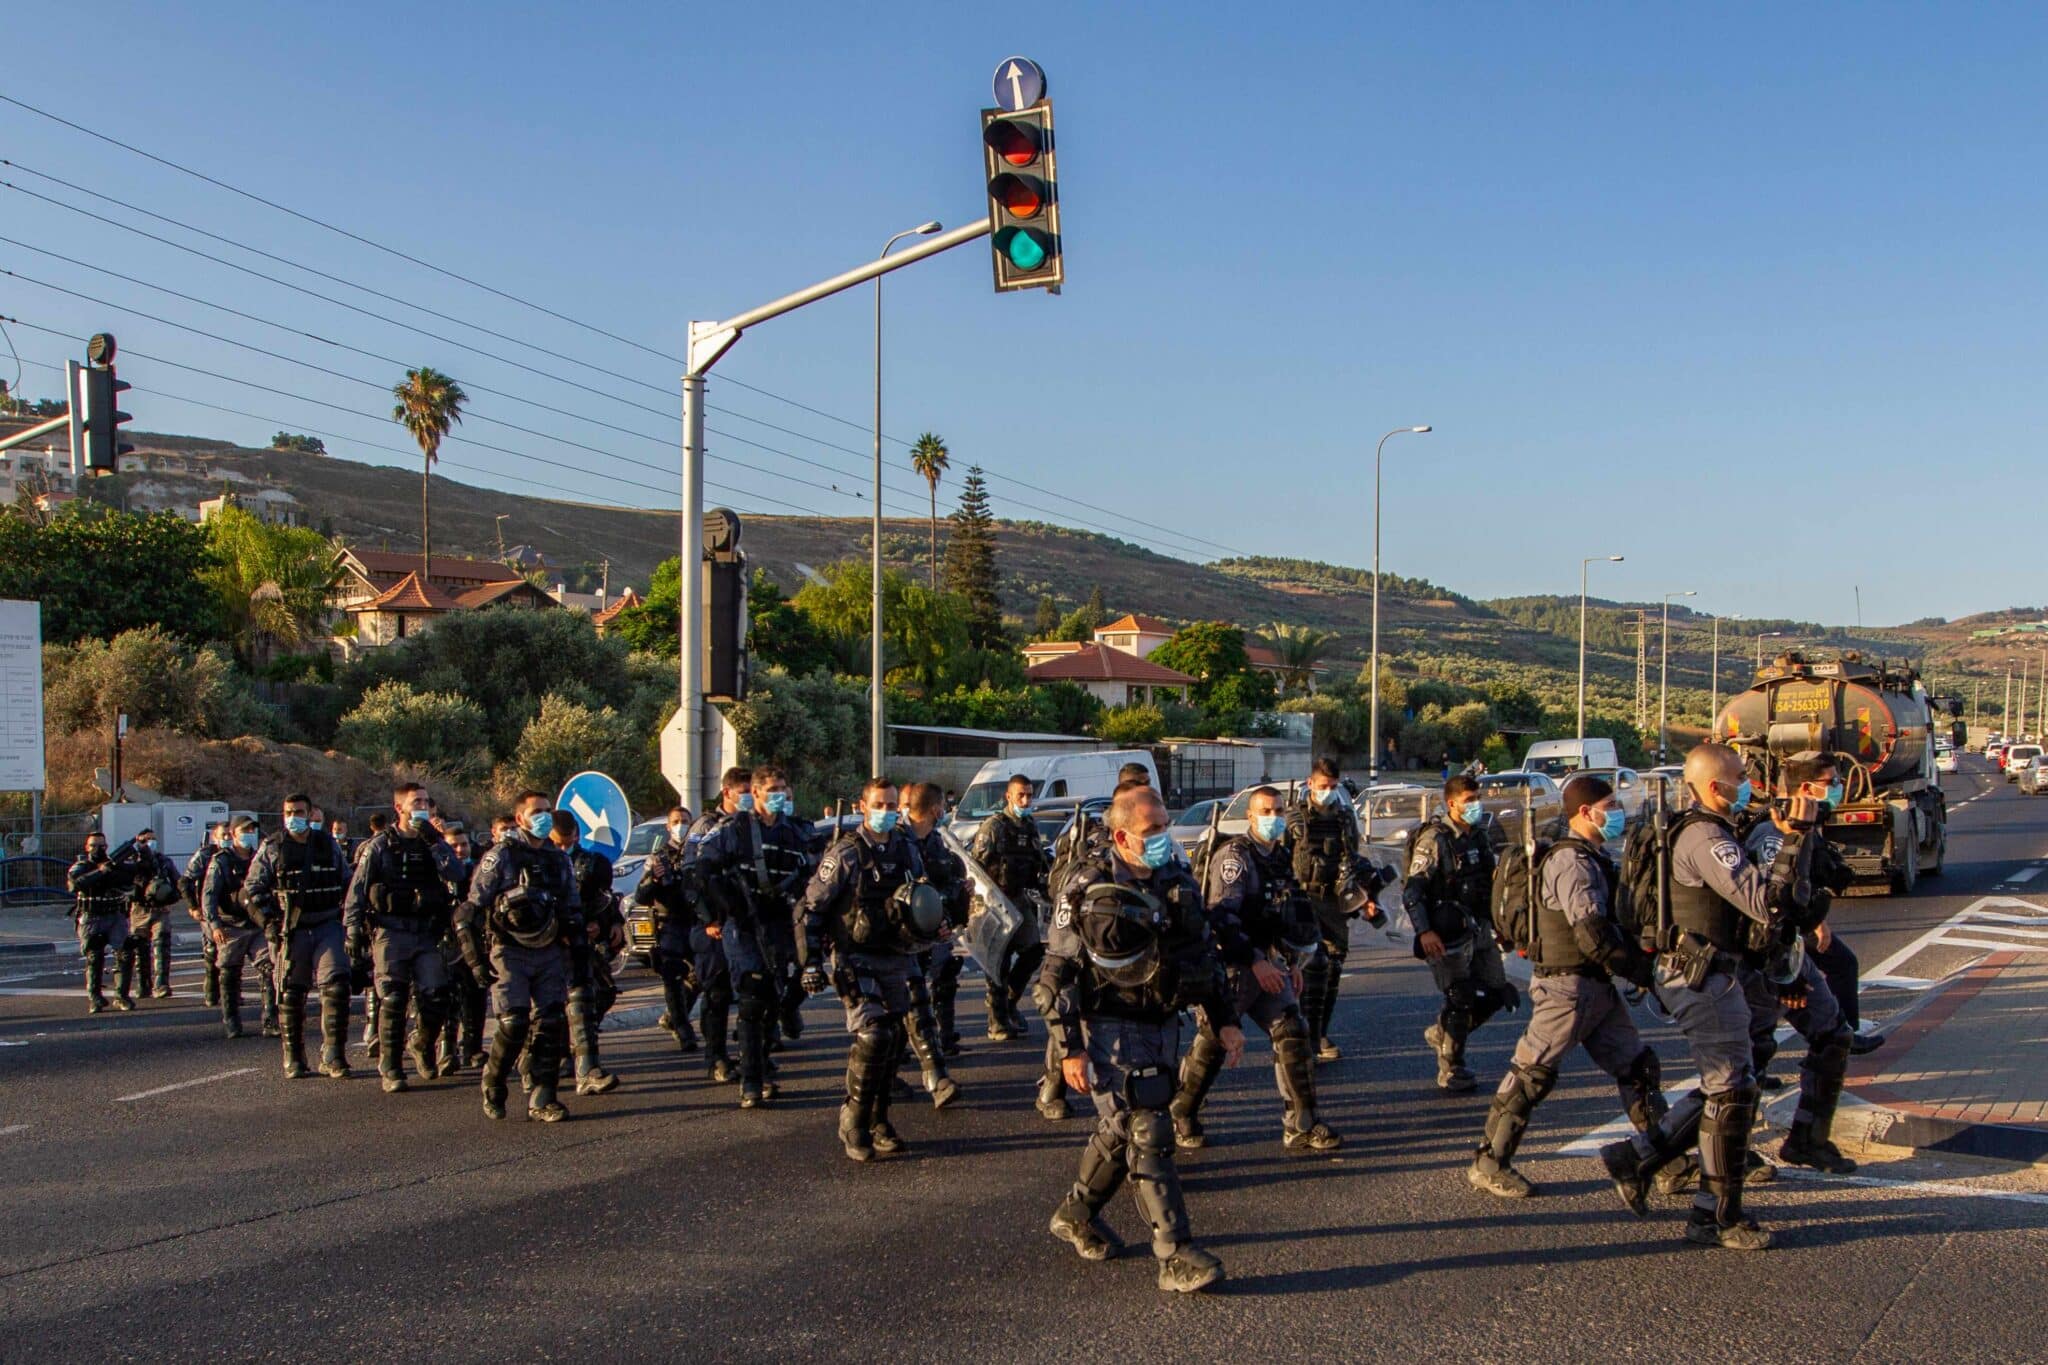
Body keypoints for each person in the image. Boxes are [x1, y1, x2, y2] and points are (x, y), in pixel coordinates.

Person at [1599, 743, 1820, 1251]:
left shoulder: (1705, 829)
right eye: (1740, 777)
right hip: (1702, 976)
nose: (1747, 784)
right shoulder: (1704, 836)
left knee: (1731, 1085)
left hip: (1709, 974)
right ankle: (1713, 1216)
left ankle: (1638, 1158)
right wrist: (1796, 840)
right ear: (1714, 786)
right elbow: (1765, 903)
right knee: (1733, 1092)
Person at [1036, 785, 1245, 1293]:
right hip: (1109, 1023)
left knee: (1122, 1125)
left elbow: (1203, 953)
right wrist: (1071, 1049)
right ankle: (1175, 1254)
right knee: (1148, 1127)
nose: (1162, 838)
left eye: (1164, 827)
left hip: (1162, 1017)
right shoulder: (1087, 884)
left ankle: (1076, 1213)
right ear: (1121, 835)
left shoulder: (1176, 876)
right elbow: (1056, 975)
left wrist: (1223, 1018)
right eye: (1151, 831)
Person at [1467, 775, 1665, 1198]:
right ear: (1584, 813)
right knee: (1531, 1075)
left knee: (1636, 1068)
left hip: (1595, 986)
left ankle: (1666, 1159)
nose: (1617, 812)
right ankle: (1489, 1162)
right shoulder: (1570, 862)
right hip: (1566, 989)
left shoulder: (1594, 856)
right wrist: (1642, 973)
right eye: (1609, 805)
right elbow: (1591, 932)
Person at [1174, 785, 1340, 1155]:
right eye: (1266, 811)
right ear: (1250, 816)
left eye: (1279, 810)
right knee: (1213, 1041)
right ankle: (1181, 1112)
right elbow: (1220, 916)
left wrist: (1291, 961)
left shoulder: (1278, 857)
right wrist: (1256, 960)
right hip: (1232, 965)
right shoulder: (1235, 857)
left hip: (1266, 962)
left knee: (1292, 1031)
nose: (1274, 817)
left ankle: (1301, 1124)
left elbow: (1288, 914)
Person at [798, 777, 932, 1161]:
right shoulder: (846, 853)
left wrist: (934, 923)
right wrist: (810, 962)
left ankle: (879, 1118)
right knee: (873, 1036)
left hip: (897, 955)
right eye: (880, 805)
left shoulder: (907, 849)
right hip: (855, 957)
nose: (887, 813)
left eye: (893, 806)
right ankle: (854, 1121)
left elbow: (919, 895)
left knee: (893, 1041)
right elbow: (811, 909)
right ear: (862, 806)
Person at [1738, 755, 1857, 1175]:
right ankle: (1733, 1155)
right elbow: (1767, 912)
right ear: (1806, 789)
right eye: (1833, 782)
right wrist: (1781, 975)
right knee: (1752, 1056)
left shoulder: (1806, 829)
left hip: (1792, 954)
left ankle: (1808, 1140)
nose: (1840, 787)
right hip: (1761, 964)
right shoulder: (1774, 835)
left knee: (1833, 1035)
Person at [694, 766, 815, 1109]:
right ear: (757, 793)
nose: (778, 794)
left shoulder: (794, 832)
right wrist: (727, 904)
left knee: (777, 997)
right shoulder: (734, 831)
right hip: (745, 924)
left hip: (782, 923)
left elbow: (812, 874)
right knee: (751, 998)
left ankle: (761, 1064)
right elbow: (703, 869)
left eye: (783, 787)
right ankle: (751, 1079)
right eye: (772, 788)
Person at [457, 791, 578, 1122]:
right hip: (510, 950)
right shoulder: (502, 856)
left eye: (547, 811)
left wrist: (579, 950)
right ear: (520, 818)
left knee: (551, 1021)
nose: (544, 817)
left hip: (549, 949)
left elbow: (571, 908)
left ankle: (544, 1097)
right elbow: (470, 910)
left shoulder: (558, 859)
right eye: (536, 812)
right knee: (514, 1021)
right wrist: (474, 960)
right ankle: (494, 1082)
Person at [345, 782, 464, 1094]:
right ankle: (392, 1065)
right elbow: (358, 889)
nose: (421, 807)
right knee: (394, 998)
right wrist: (353, 930)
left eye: (425, 801)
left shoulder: (433, 842)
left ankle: (422, 1044)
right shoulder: (380, 846)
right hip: (391, 930)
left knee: (437, 995)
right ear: (399, 808)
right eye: (415, 802)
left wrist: (435, 842)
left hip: (427, 931)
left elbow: (456, 874)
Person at [1403, 775, 1517, 1091]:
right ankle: (1452, 1067)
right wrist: (1424, 931)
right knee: (1460, 997)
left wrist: (1502, 928)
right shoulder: (1436, 839)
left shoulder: (1479, 836)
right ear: (1452, 803)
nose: (1475, 804)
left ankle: (1442, 1033)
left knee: (1496, 992)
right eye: (1469, 799)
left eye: (1477, 797)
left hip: (1479, 927)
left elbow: (1491, 887)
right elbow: (1413, 890)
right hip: (1447, 931)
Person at [244, 793, 354, 1080]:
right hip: (290, 930)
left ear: (310, 813)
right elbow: (252, 888)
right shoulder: (273, 847)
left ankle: (334, 1054)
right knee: (291, 993)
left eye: (299, 811)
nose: (294, 817)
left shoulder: (327, 844)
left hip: (327, 923)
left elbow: (347, 882)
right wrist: (268, 921)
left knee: (337, 986)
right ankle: (293, 1057)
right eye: (288, 812)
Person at [1291, 758, 1387, 1064]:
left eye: (1333, 787)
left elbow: (1354, 860)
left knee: (1332, 969)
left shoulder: (1345, 818)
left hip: (1334, 902)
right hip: (1302, 901)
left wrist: (1366, 897)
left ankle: (1319, 1033)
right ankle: (1301, 1034)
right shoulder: (1295, 819)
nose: (1328, 792)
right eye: (1323, 787)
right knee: (1308, 969)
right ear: (1310, 784)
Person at [550, 808, 625, 1097]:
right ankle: (560, 1058)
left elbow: (606, 899)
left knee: (599, 994)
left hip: (585, 943)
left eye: (568, 841)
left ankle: (584, 1063)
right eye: (558, 842)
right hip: (551, 944)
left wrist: (608, 923)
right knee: (554, 1006)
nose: (563, 848)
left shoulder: (593, 863)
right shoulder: (539, 863)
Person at [969, 774, 1050, 1043]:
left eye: (1029, 795)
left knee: (1033, 951)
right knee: (998, 963)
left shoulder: (1029, 826)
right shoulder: (994, 827)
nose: (1026, 800)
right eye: (1021, 796)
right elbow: (975, 868)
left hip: (1020, 900)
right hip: (995, 902)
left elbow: (1038, 862)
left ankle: (1010, 1003)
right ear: (1009, 797)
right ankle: (997, 1020)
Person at [900, 782, 966, 1108]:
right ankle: (931, 1076)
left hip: (927, 937)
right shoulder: (900, 842)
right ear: (937, 809)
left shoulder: (935, 841)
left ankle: (933, 1075)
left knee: (916, 1005)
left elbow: (940, 884)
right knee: (910, 1006)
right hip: (895, 942)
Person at [637, 805, 703, 1057]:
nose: (680, 825)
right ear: (668, 826)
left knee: (701, 975)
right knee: (672, 979)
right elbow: (642, 897)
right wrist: (652, 879)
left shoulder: (697, 853)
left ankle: (674, 1017)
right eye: (676, 821)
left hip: (694, 922)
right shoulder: (658, 857)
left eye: (685, 821)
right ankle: (684, 1030)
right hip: (668, 925)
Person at [202, 816, 268, 1039]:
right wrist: (214, 925)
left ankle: (270, 1019)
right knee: (229, 972)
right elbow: (209, 894)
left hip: (257, 923)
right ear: (233, 833)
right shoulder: (221, 860)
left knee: (268, 969)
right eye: (244, 829)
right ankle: (232, 1021)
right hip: (231, 925)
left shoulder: (259, 857)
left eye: (252, 829)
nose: (249, 833)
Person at [68, 831, 134, 1013]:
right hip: (92, 916)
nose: (98, 849)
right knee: (94, 956)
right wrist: (100, 872)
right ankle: (95, 997)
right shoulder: (81, 866)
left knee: (125, 953)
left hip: (114, 914)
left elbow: (129, 881)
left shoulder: (115, 865)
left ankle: (122, 996)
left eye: (102, 846)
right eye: (94, 845)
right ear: (86, 847)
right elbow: (76, 884)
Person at [438, 827, 485, 1073]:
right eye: (454, 845)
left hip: (475, 942)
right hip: (446, 942)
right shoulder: (438, 872)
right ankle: (447, 1048)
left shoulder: (479, 871)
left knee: (475, 995)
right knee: (448, 997)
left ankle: (473, 1048)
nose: (459, 850)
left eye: (463, 844)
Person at [125, 827, 180, 1000]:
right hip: (139, 910)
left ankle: (161, 984)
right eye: (145, 840)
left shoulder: (163, 861)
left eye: (152, 839)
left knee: (162, 945)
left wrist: (170, 896)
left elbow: (178, 882)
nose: (149, 843)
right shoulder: (132, 862)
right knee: (140, 948)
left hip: (160, 910)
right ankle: (143, 984)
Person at [183, 823, 228, 1009]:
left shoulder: (243, 854)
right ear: (215, 837)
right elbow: (185, 881)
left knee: (231, 958)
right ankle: (211, 992)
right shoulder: (205, 855)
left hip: (234, 912)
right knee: (212, 953)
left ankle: (229, 994)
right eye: (223, 835)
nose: (227, 839)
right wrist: (193, 906)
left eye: (229, 835)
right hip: (210, 910)